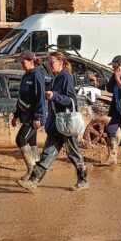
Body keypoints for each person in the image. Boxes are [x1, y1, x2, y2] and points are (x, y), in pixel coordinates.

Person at [17, 51, 89, 192]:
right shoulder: (55, 78)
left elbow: (71, 100)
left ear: (61, 63)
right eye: (49, 63)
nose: (50, 65)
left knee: (73, 153)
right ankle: (33, 182)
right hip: (57, 123)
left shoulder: (65, 77)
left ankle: (83, 180)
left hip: (66, 123)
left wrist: (55, 95)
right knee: (48, 153)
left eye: (52, 62)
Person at [11, 50, 46, 181]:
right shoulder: (27, 75)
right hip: (25, 115)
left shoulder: (37, 75)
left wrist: (38, 117)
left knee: (20, 139)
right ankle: (37, 169)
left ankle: (32, 169)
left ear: (31, 61)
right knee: (31, 143)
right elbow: (22, 97)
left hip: (33, 117)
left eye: (24, 62)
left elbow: (40, 99)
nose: (22, 65)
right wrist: (15, 115)